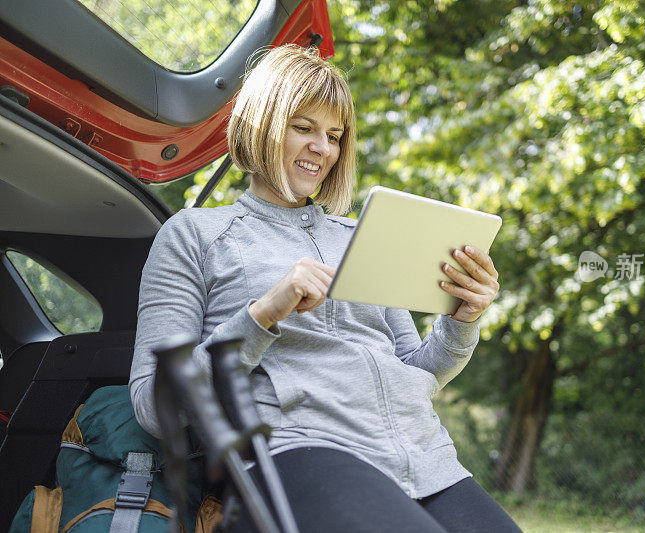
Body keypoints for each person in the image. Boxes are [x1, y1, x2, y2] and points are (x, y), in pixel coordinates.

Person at [130, 44, 520, 533]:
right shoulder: (195, 235)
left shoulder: (363, 235)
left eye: (334, 135)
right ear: (261, 125)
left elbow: (415, 373)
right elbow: (154, 402)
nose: (323, 148)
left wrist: (461, 322)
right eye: (304, 128)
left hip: (422, 456)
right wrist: (264, 313)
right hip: (295, 446)